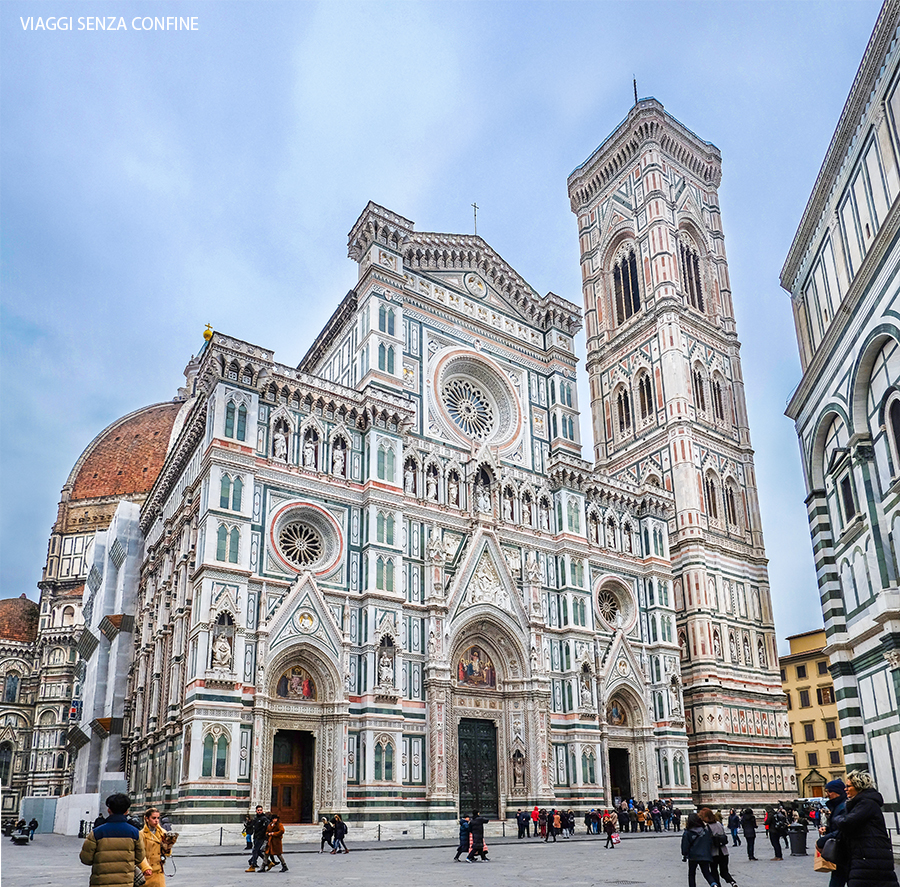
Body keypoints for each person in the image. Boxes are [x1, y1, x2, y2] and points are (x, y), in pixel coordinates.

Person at [835, 770, 899, 887]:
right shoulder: (863, 803)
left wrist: (837, 818)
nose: (845, 789)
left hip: (869, 858)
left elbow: (847, 822)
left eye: (848, 786)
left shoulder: (866, 803)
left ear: (859, 787)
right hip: (867, 857)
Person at [80, 793, 152, 887]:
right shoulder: (135, 833)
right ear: (126, 811)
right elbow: (139, 858)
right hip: (125, 882)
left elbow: (86, 859)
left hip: (101, 882)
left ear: (109, 810)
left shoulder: (96, 833)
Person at [817, 778, 850, 887]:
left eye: (829, 791)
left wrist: (822, 841)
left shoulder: (843, 806)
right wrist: (827, 829)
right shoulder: (838, 806)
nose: (827, 795)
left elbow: (843, 830)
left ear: (838, 792)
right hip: (842, 852)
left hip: (844, 851)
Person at [699, 807, 735, 887]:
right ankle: (732, 882)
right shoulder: (719, 824)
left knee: (714, 872)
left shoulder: (707, 828)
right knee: (724, 871)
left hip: (714, 853)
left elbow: (706, 841)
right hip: (724, 852)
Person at [680, 811, 717, 887]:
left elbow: (685, 845)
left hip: (693, 856)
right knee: (706, 873)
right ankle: (714, 884)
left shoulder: (688, 832)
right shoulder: (705, 831)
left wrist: (685, 854)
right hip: (705, 855)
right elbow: (710, 842)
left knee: (692, 874)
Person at [140, 807, 171, 887]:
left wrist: (168, 847)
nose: (156, 820)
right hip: (147, 871)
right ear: (147, 819)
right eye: (153, 818)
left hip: (159, 871)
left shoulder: (163, 833)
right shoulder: (141, 834)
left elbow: (167, 854)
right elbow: (140, 854)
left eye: (158, 818)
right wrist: (145, 868)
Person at [246, 806, 270, 872]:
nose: (259, 811)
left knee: (255, 850)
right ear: (256, 811)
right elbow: (253, 826)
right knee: (258, 851)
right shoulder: (256, 818)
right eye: (258, 810)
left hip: (261, 837)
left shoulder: (264, 819)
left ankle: (253, 865)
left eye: (260, 810)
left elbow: (266, 827)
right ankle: (269, 862)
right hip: (256, 836)